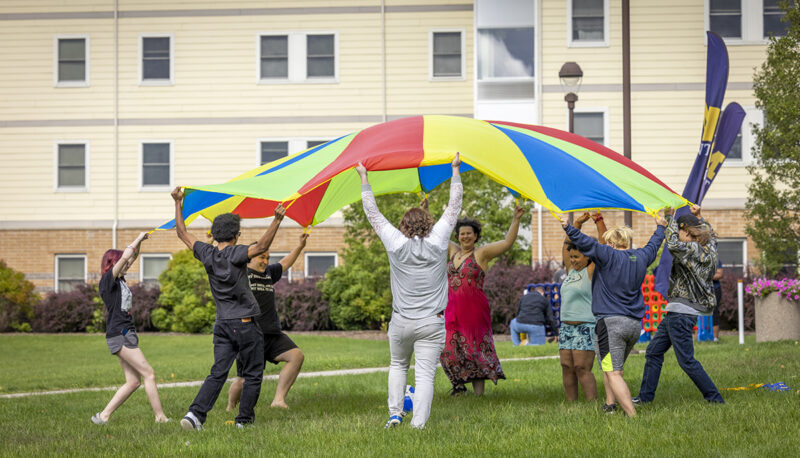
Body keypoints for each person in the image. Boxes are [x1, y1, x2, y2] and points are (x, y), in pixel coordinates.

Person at [356, 153, 462, 429]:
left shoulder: (395, 242)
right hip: (432, 322)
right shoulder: (439, 240)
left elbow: (373, 213)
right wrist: (455, 171)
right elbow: (454, 207)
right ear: (428, 223)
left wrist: (364, 178)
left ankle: (394, 413)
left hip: (401, 321)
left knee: (398, 365)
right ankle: (418, 425)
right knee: (425, 375)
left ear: (403, 225)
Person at [172, 186, 285, 430]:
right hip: (245, 323)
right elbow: (262, 245)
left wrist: (178, 203)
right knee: (253, 373)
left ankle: (195, 414)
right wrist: (276, 220)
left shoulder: (206, 252)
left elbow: (182, 233)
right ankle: (243, 421)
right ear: (236, 235)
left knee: (218, 372)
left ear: (213, 234)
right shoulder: (236, 253)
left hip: (222, 324)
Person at [560, 212, 666, 417]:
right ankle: (610, 404)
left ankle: (632, 416)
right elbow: (654, 245)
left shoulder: (607, 255)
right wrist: (660, 226)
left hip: (610, 324)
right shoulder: (641, 256)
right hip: (634, 325)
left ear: (611, 243)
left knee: (613, 372)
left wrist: (568, 227)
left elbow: (584, 243)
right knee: (612, 368)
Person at [635, 206, 725, 405]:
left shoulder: (691, 248)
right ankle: (645, 398)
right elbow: (711, 236)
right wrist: (699, 215)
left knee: (686, 361)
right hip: (677, 312)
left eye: (680, 231)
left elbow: (673, 244)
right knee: (653, 352)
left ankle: (715, 398)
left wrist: (668, 218)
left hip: (681, 314)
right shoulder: (710, 249)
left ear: (686, 231)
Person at [440, 206, 525, 396]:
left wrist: (516, 219)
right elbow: (438, 232)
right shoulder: (453, 251)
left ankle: (479, 395)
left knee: (474, 350)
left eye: (469, 233)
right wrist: (427, 210)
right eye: (462, 234)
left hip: (474, 312)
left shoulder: (481, 254)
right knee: (448, 351)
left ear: (476, 236)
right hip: (452, 310)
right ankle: (459, 386)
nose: (465, 237)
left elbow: (506, 242)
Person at [92, 232, 170, 425]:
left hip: (125, 333)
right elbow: (127, 256)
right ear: (113, 263)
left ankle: (103, 416)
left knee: (133, 381)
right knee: (149, 374)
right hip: (120, 334)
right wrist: (137, 237)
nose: (128, 265)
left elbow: (131, 257)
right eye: (122, 263)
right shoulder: (108, 281)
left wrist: (140, 244)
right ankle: (160, 417)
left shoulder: (120, 281)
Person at [227, 232, 309, 411]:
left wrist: (300, 246)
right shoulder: (241, 274)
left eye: (267, 258)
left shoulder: (269, 273)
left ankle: (278, 400)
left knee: (296, 356)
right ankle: (231, 405)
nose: (265, 261)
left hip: (272, 333)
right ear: (250, 258)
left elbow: (285, 262)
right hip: (248, 334)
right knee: (244, 379)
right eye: (261, 257)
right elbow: (225, 259)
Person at [558, 211, 607, 402]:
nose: (573, 260)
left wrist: (598, 221)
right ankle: (572, 405)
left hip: (585, 326)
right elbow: (566, 246)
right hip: (566, 327)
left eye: (577, 257)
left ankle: (591, 403)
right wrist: (576, 223)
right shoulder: (570, 271)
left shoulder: (591, 271)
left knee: (581, 367)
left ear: (588, 257)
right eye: (571, 257)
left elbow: (604, 247)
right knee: (566, 366)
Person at [712, 259, 723, 341]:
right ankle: (698, 337)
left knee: (714, 312)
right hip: (700, 289)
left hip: (715, 289)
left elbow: (720, 274)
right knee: (698, 313)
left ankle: (715, 338)